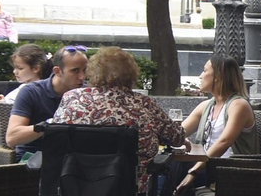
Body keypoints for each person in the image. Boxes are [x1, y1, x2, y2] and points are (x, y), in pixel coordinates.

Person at [50, 47, 186, 167]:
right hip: (131, 188)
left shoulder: (72, 98)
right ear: (132, 73)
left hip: (75, 185)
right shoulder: (143, 104)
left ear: (92, 71)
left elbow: (56, 136)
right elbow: (177, 138)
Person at [173, 54, 258, 196]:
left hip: (230, 170)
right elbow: (177, 134)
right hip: (208, 167)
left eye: (205, 71)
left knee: (173, 172)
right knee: (167, 168)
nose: (200, 76)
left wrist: (193, 172)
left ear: (219, 76)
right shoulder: (207, 105)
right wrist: (181, 139)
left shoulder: (238, 105)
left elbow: (224, 142)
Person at [6, 45, 88, 148]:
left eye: (85, 70)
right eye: (75, 71)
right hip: (35, 157)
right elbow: (12, 138)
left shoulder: (87, 93)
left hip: (73, 157)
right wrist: (51, 124)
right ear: (57, 71)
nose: (82, 77)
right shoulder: (31, 92)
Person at [0, 43, 51, 110]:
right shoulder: (27, 87)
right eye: (14, 68)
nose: (15, 71)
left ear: (36, 68)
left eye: (20, 68)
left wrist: (1, 104)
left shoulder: (36, 90)